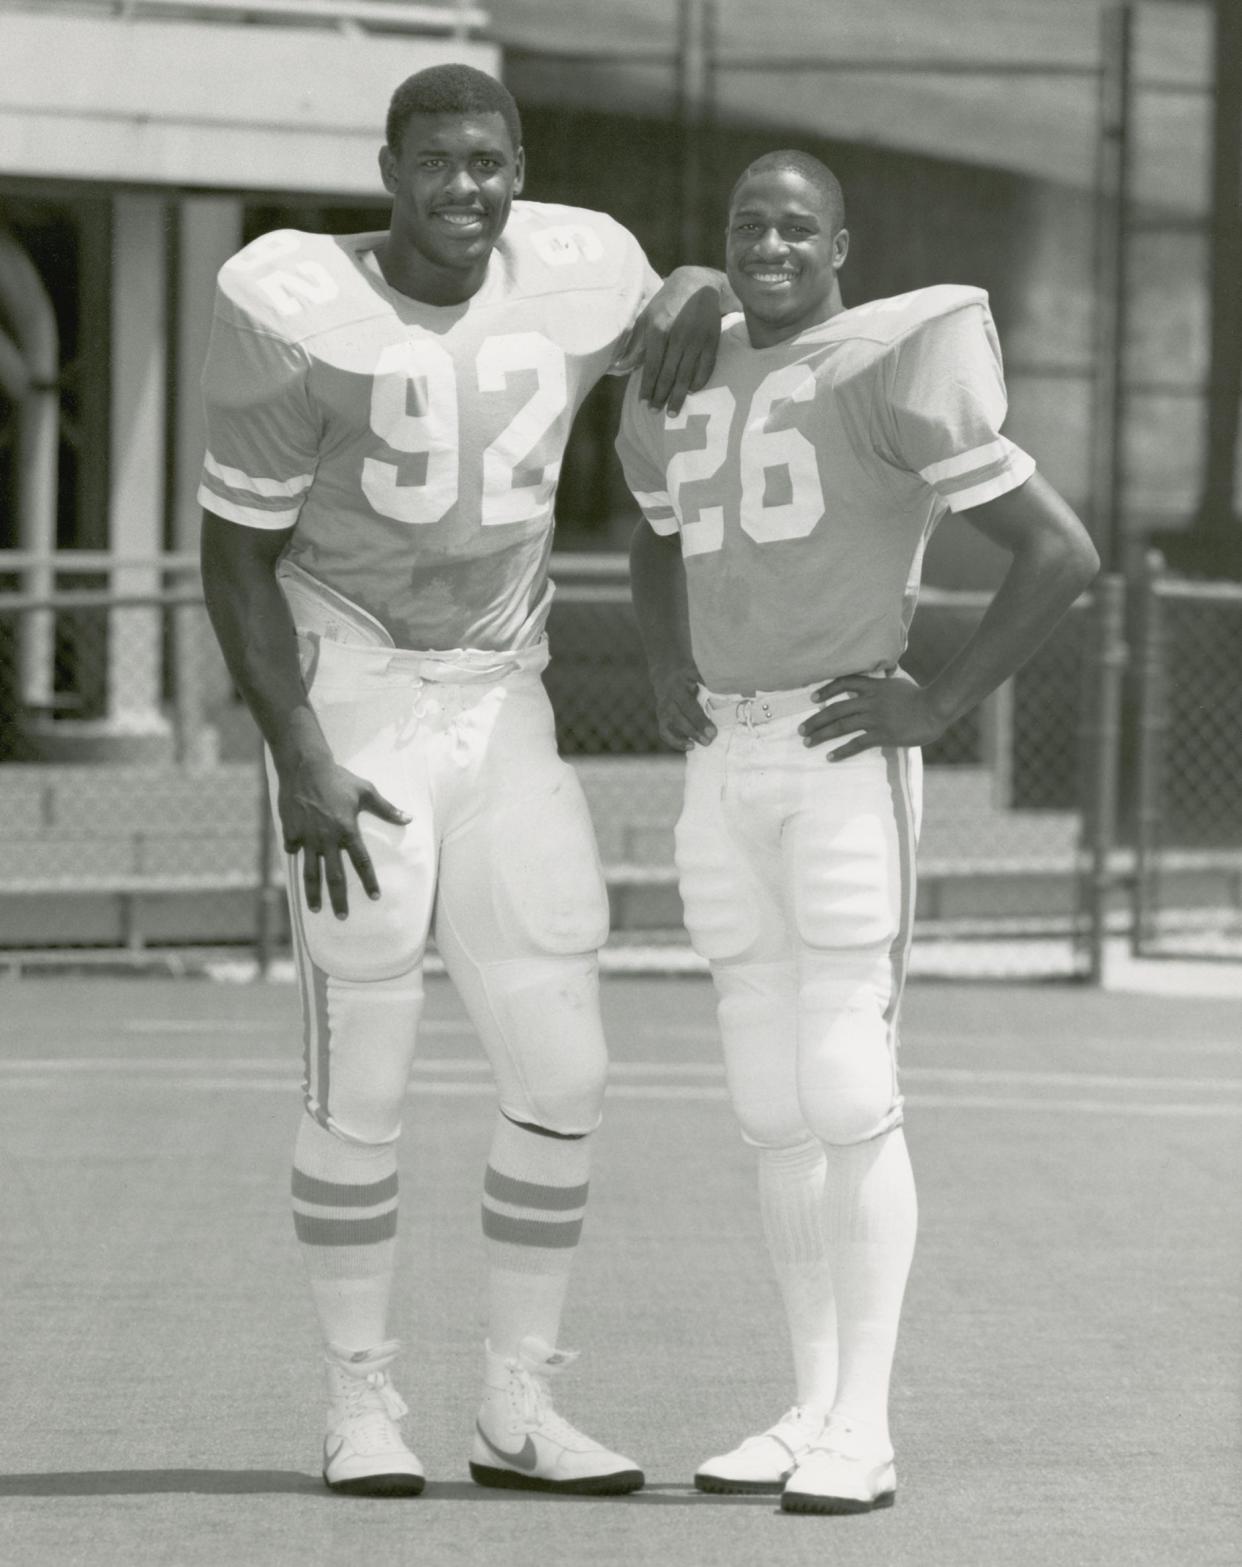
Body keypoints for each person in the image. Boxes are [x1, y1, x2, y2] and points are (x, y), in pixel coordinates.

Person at [198, 63, 727, 1499]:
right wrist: (295, 749)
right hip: (352, 689)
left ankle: (516, 1404)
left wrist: (689, 280)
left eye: (488, 162)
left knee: (565, 1063)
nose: (464, 190)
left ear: (519, 163)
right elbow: (232, 557)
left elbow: (673, 318)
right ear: (387, 165)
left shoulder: (577, 262)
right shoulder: (291, 300)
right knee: (361, 1055)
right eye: (436, 163)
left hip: (500, 696)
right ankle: (359, 1402)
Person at [615, 149, 1099, 1515]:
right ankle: (808, 1403)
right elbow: (656, 532)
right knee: (769, 1106)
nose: (766, 244)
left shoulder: (885, 357)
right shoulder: (684, 367)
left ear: (841, 243)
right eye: (742, 225)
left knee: (841, 1084)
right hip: (726, 753)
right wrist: (661, 662)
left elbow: (1058, 550)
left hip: (838, 754)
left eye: (792, 226)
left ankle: (866, 1427)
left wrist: (936, 697)